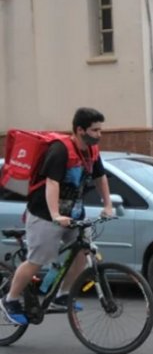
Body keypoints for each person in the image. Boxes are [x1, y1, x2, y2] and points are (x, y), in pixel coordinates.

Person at [0, 107, 113, 325]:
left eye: (101, 130)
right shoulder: (61, 150)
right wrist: (55, 214)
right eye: (95, 130)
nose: (99, 134)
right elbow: (52, 182)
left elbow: (101, 177)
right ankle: (10, 299)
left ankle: (61, 296)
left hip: (74, 213)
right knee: (37, 260)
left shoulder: (92, 151)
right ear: (80, 130)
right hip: (44, 213)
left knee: (82, 253)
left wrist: (107, 205)